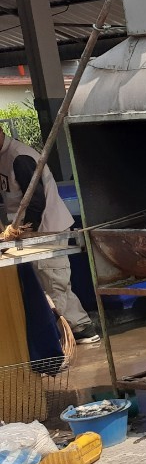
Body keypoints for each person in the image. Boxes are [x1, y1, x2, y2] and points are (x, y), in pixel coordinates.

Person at [0, 124, 98, 343]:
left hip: (46, 229)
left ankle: (77, 329)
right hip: (29, 232)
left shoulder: (19, 157)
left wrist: (22, 231)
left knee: (54, 283)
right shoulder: (3, 157)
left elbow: (36, 201)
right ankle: (72, 330)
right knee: (46, 285)